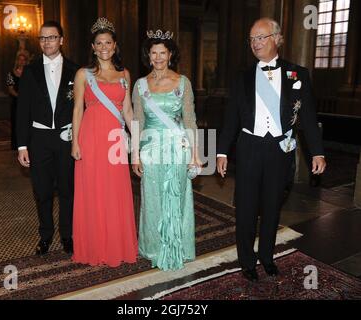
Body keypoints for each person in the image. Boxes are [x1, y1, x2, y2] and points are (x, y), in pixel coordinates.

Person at [217, 18, 326, 282]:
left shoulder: (298, 74)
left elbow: (308, 117)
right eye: (252, 39)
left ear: (276, 38)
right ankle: (246, 260)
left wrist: (317, 152)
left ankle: (266, 256)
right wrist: (221, 152)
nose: (255, 43)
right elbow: (231, 117)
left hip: (280, 149)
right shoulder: (242, 77)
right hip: (249, 147)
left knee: (271, 206)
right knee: (245, 207)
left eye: (261, 37)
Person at [132, 30, 201, 271]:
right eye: (154, 53)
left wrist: (195, 153)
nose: (159, 57)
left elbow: (190, 119)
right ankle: (154, 247)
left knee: (177, 197)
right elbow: (137, 121)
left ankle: (177, 248)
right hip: (150, 150)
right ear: (148, 56)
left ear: (170, 54)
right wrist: (134, 155)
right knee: (152, 200)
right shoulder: (140, 85)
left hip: (177, 148)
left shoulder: (183, 82)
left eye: (163, 52)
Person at [71, 17, 138, 267]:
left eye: (108, 42)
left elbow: (129, 111)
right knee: (93, 191)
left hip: (115, 140)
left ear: (115, 45)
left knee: (115, 191)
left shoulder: (125, 74)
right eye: (99, 43)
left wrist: (138, 143)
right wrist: (75, 143)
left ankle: (116, 245)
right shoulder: (83, 74)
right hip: (90, 138)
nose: (103, 47)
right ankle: (94, 247)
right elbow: (77, 108)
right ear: (93, 46)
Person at [16, 21, 79, 255]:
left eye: (51, 37)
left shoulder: (76, 70)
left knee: (67, 190)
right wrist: (22, 145)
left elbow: (81, 108)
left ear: (61, 40)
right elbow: (22, 110)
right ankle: (45, 235)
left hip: (66, 138)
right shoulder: (30, 71)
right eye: (42, 38)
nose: (47, 42)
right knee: (41, 191)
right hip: (39, 138)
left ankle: (67, 235)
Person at [6, 53, 29, 150]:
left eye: (24, 60)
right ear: (17, 61)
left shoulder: (30, 73)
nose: (22, 62)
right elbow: (10, 89)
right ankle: (16, 145)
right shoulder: (11, 73)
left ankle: (28, 143)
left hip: (29, 103)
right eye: (20, 59)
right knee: (16, 123)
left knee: (28, 123)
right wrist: (20, 97)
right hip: (17, 103)